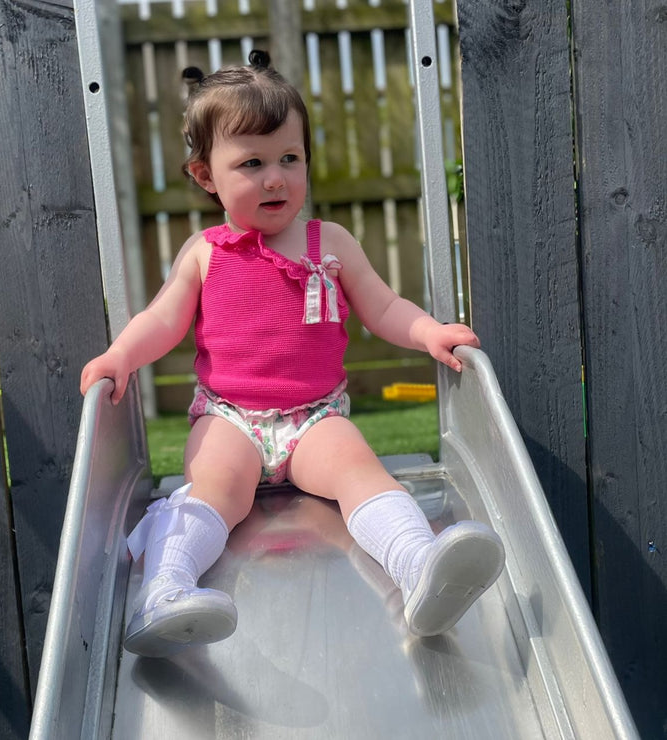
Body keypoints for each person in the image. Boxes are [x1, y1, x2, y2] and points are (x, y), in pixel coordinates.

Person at [80, 50, 505, 658]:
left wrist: (428, 332)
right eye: (251, 163)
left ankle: (419, 566)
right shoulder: (206, 252)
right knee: (215, 488)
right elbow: (164, 318)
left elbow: (382, 307)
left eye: (290, 158)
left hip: (314, 419)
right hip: (230, 416)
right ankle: (165, 591)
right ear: (205, 176)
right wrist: (122, 354)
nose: (275, 177)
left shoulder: (328, 243)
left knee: (361, 471)